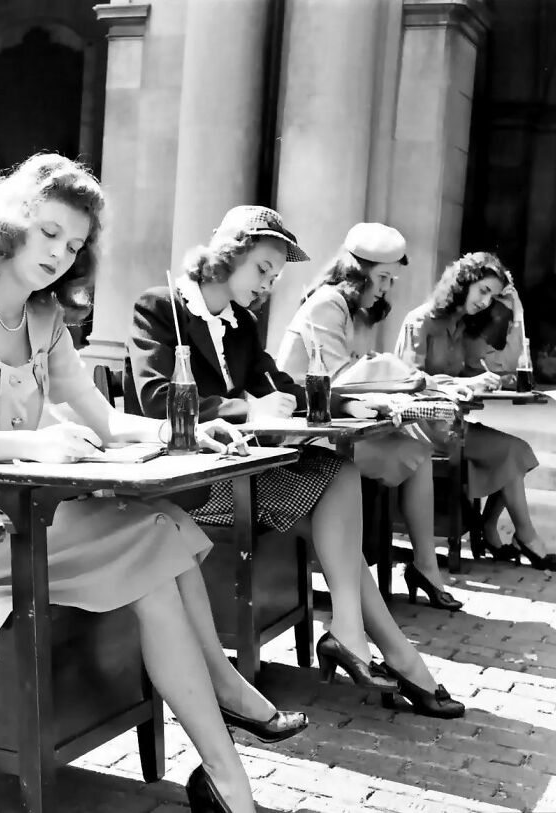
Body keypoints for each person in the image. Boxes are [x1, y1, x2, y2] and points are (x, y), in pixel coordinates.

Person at [0, 155, 308, 813]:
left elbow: (105, 421)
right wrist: (29, 443)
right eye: (49, 232)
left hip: (20, 517)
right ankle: (226, 741)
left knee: (165, 523)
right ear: (10, 223)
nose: (60, 253)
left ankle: (228, 767)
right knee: (152, 539)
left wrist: (187, 433)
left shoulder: (47, 317)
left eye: (75, 243)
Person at [125, 205, 464, 719]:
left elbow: (279, 384)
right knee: (339, 499)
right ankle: (390, 653)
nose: (267, 285)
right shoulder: (159, 307)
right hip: (190, 483)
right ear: (227, 255)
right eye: (262, 269)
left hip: (243, 474)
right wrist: (245, 409)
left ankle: (360, 636)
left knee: (340, 475)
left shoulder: (241, 323)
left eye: (275, 277)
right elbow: (154, 400)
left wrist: (344, 403)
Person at [277, 223, 462, 611]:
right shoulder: (327, 303)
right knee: (414, 453)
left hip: (336, 422)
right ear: (356, 269)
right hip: (300, 429)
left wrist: (420, 383)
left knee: (417, 450)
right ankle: (407, 570)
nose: (386, 288)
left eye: (392, 279)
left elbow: (361, 373)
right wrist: (410, 377)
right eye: (382, 277)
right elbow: (344, 377)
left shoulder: (353, 308)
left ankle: (424, 565)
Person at [395, 251, 556, 571]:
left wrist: (517, 314)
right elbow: (405, 381)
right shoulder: (421, 321)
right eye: (483, 290)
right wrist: (462, 381)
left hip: (453, 426)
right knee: (514, 452)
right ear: (463, 283)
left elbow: (503, 365)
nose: (486, 301)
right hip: (423, 429)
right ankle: (523, 536)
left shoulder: (463, 326)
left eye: (493, 296)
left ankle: (491, 529)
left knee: (518, 451)